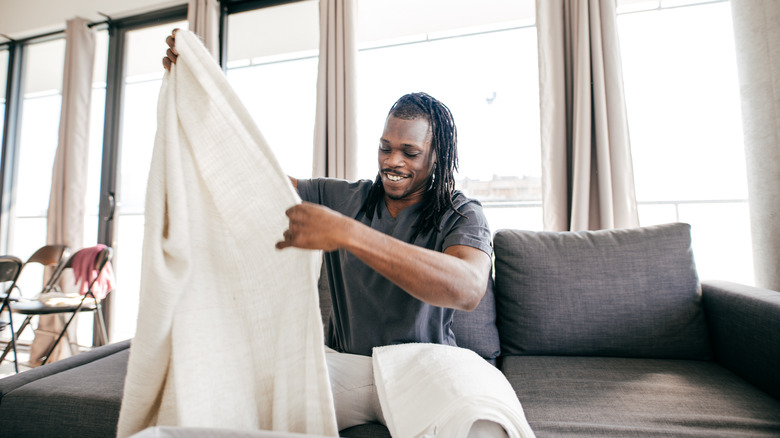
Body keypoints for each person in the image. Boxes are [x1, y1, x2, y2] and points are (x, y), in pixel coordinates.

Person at [163, 31, 506, 437]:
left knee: (485, 425)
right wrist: (199, 93)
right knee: (219, 398)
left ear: (437, 156)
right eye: (385, 147)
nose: (392, 161)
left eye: (410, 153)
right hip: (344, 365)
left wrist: (347, 233)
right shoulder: (340, 196)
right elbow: (254, 177)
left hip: (425, 364)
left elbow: (466, 289)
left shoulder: (462, 213)